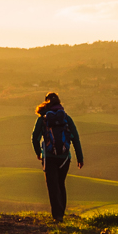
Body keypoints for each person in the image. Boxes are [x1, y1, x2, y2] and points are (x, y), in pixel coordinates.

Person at [32, 92, 83, 220]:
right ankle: (61, 213)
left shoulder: (43, 119)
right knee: (61, 184)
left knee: (52, 186)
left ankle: (57, 215)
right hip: (65, 158)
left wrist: (39, 153)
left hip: (49, 157)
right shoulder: (66, 118)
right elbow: (75, 138)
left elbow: (34, 138)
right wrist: (80, 158)